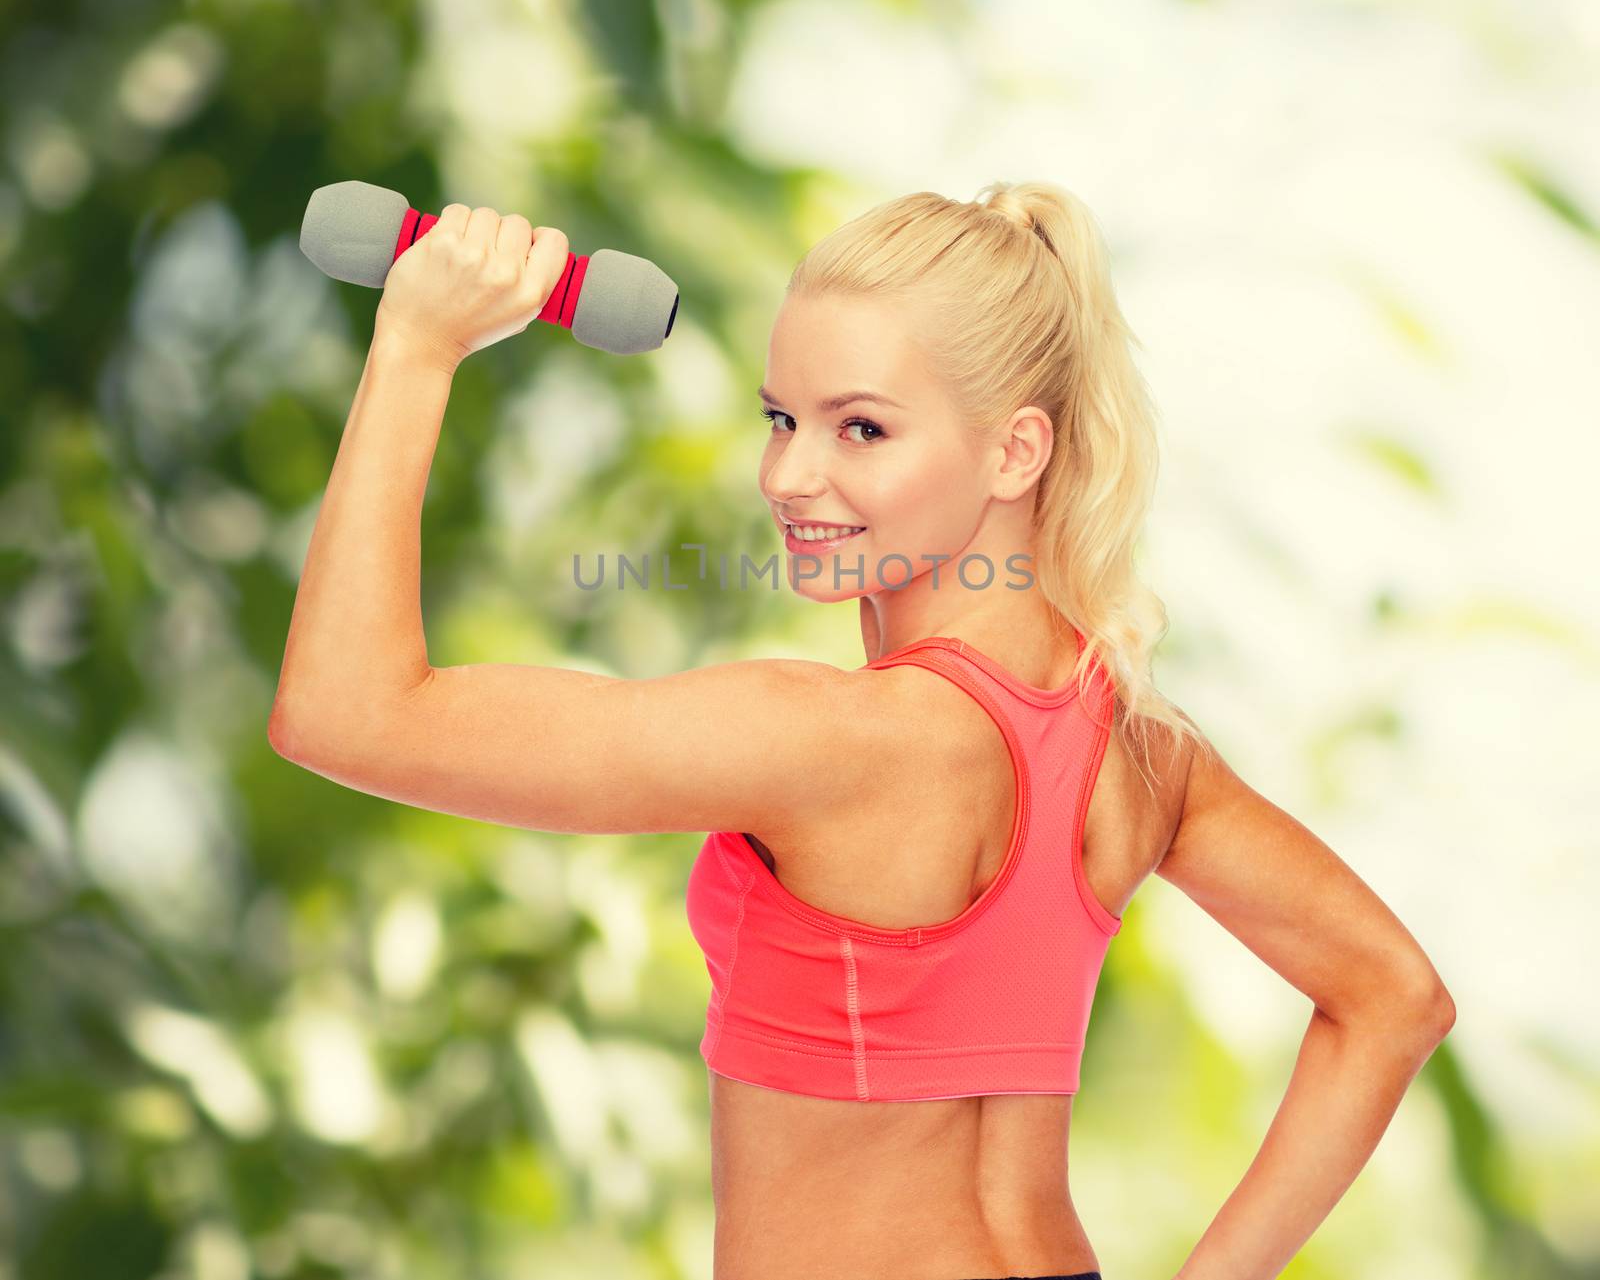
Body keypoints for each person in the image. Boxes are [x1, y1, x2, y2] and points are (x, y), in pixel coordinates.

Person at [269, 181, 1457, 1280]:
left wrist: (419, 345)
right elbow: (1392, 997)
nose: (787, 475)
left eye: (862, 430)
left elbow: (346, 714)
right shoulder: (1141, 749)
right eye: (781, 418)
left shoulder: (830, 741)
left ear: (1016, 449)